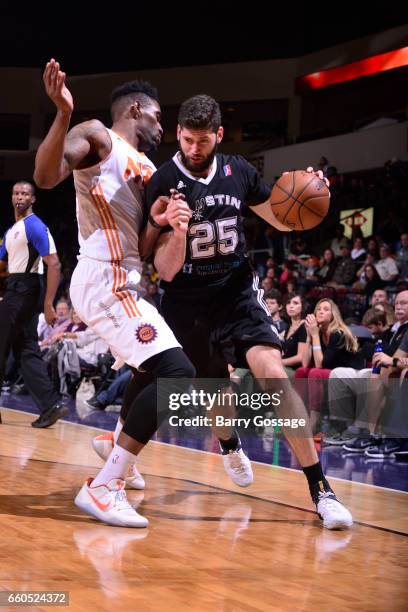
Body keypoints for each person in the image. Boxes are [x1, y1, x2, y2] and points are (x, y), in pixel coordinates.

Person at [140, 94, 352, 529]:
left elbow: (280, 217)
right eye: (186, 140)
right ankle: (230, 443)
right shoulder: (162, 180)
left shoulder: (240, 171)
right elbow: (157, 262)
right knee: (215, 392)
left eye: (203, 141)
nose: (194, 149)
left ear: (218, 134)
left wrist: (312, 194)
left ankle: (320, 489)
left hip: (236, 289)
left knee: (273, 374)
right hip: (187, 299)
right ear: (177, 134)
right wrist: (172, 227)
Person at [34, 59, 197, 528]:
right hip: (101, 276)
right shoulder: (99, 136)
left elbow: (144, 248)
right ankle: (105, 486)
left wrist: (163, 223)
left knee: (157, 366)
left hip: (128, 277)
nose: (162, 125)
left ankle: (116, 441)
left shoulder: (151, 169)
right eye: (159, 115)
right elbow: (46, 178)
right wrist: (62, 114)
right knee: (176, 370)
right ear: (136, 108)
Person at [0, 180, 67, 427]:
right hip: (14, 288)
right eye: (16, 192)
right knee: (26, 349)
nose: (20, 197)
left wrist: (48, 304)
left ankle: (50, 404)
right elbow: (3, 264)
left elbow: (55, 263)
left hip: (25, 289)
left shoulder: (35, 226)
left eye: (25, 193)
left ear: (33, 199)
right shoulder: (11, 231)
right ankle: (51, 405)